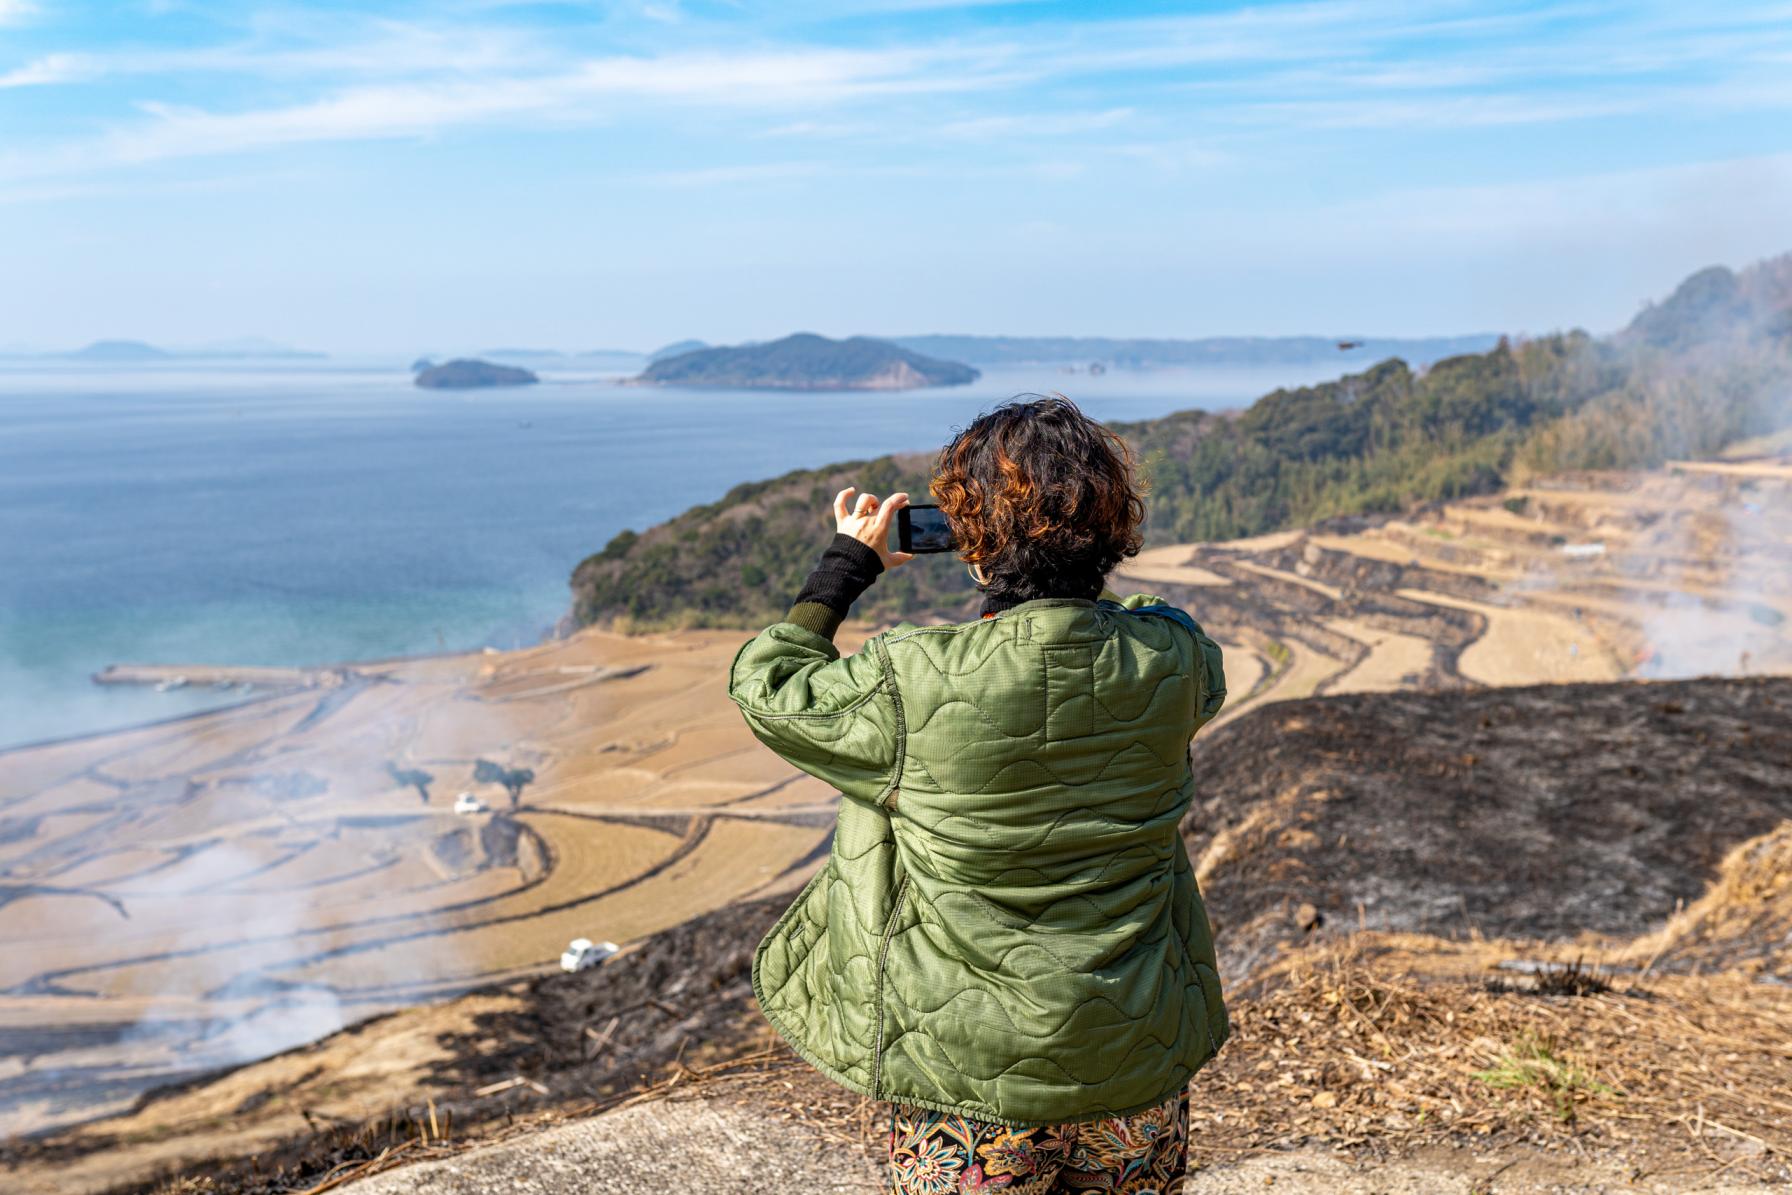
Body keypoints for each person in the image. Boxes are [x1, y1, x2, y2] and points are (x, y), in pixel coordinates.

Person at [729, 395, 1228, 1194]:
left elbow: (770, 687)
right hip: (1135, 1061)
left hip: (966, 1087)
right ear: (1112, 525)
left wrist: (846, 566)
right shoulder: (1173, 659)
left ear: (972, 540)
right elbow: (1160, 623)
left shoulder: (910, 676)